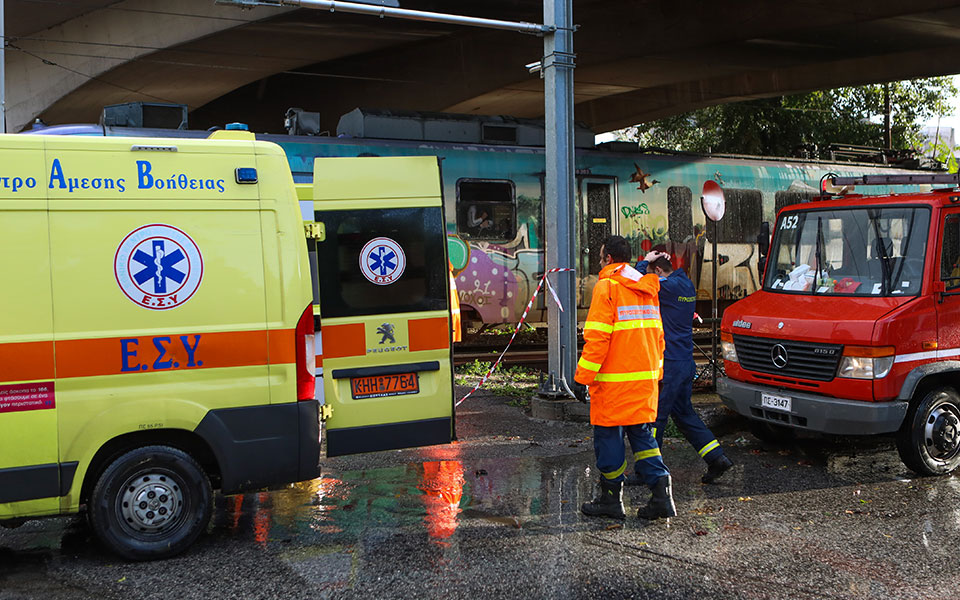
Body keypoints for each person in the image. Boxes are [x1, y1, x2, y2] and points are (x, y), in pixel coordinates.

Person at [575, 235, 677, 520]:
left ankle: (611, 500)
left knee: (609, 438)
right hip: (644, 381)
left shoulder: (606, 287)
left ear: (608, 258)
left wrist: (583, 377)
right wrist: (655, 375)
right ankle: (661, 496)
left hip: (613, 383)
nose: (598, 260)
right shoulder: (646, 287)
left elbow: (597, 339)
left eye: (600, 255)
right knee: (643, 438)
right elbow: (658, 337)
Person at [633, 251, 734, 484]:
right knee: (684, 414)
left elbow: (637, 282)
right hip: (685, 362)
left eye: (653, 272)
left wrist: (644, 262)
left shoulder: (666, 287)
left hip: (669, 363)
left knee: (655, 418)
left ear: (658, 272)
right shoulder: (686, 284)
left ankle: (648, 472)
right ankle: (717, 458)